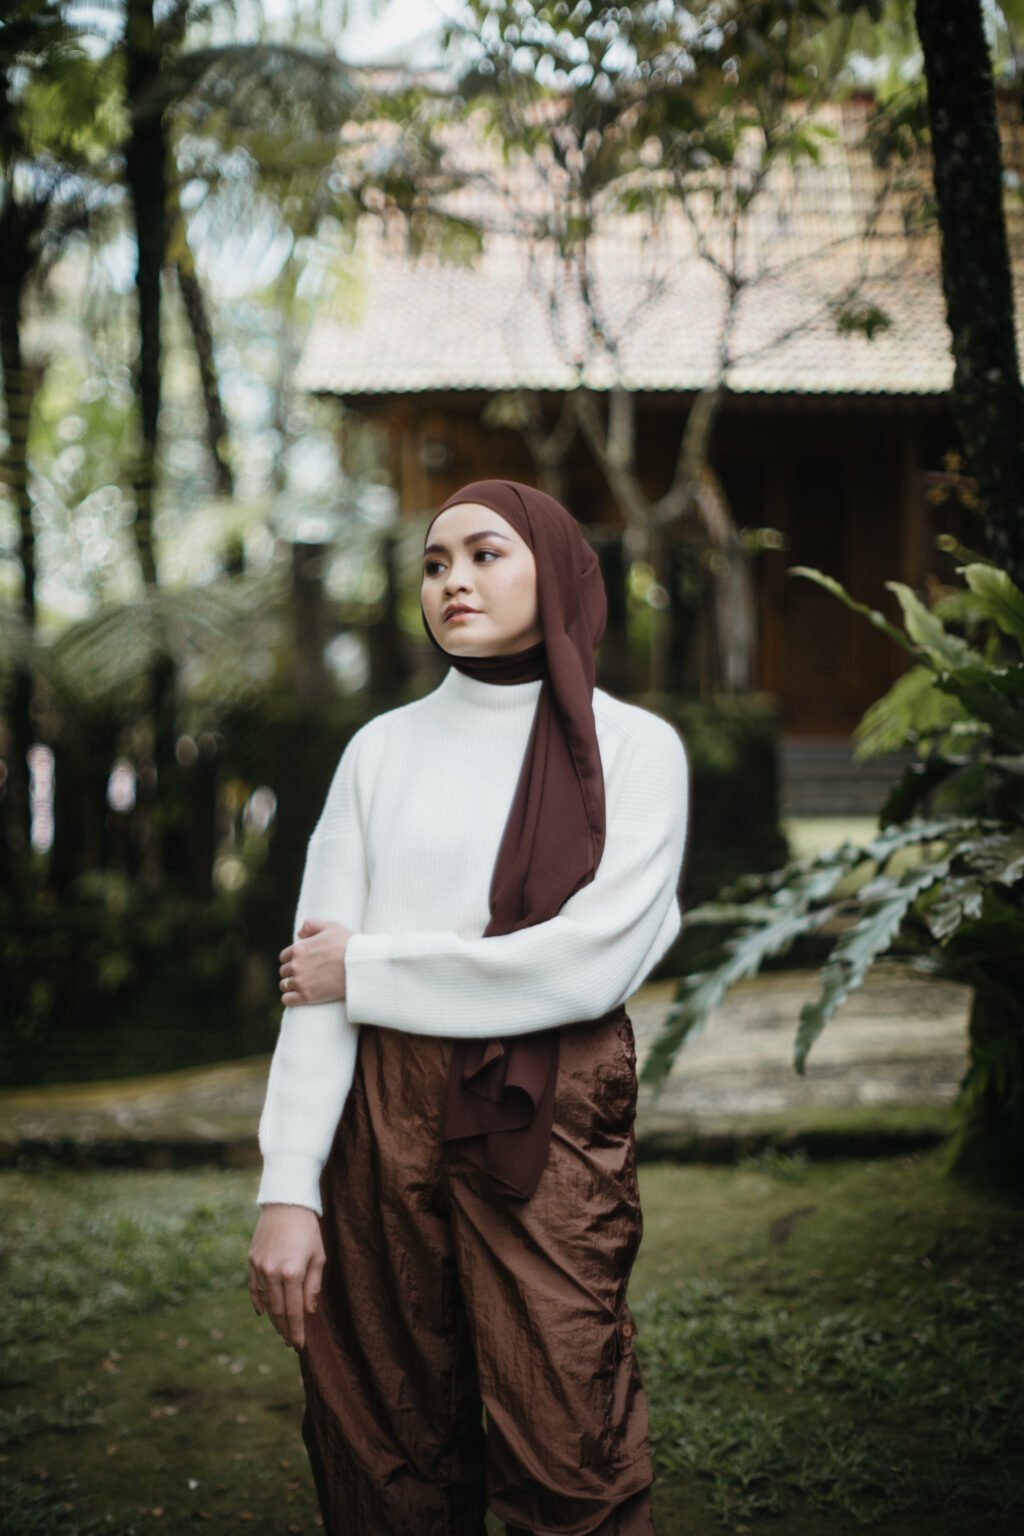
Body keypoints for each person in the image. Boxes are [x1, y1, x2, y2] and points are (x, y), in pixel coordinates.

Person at [248, 479, 690, 1536]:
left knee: (566, 1427)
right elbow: (314, 989)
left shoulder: (634, 749)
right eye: (435, 563)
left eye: (486, 554)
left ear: (557, 570)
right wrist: (287, 1186)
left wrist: (370, 970)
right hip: (379, 1103)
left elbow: (587, 964)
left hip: (548, 1098)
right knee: (381, 1432)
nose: (453, 580)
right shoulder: (380, 750)